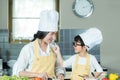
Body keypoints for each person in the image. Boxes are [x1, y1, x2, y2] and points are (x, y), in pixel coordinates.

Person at [12, 10, 65, 80]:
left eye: (55, 33)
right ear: (44, 33)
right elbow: (18, 72)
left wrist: (60, 74)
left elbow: (58, 67)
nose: (54, 37)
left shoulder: (53, 48)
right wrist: (38, 75)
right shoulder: (28, 49)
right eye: (52, 33)